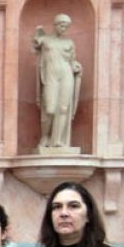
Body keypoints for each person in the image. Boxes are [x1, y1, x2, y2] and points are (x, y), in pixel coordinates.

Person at [33, 14, 82, 149]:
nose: (63, 28)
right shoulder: (45, 40)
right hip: (50, 75)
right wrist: (37, 34)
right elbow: (35, 46)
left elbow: (71, 61)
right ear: (55, 25)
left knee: (63, 108)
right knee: (50, 109)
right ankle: (45, 137)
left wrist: (76, 66)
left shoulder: (69, 42)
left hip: (66, 74)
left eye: (66, 26)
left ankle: (59, 140)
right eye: (61, 25)